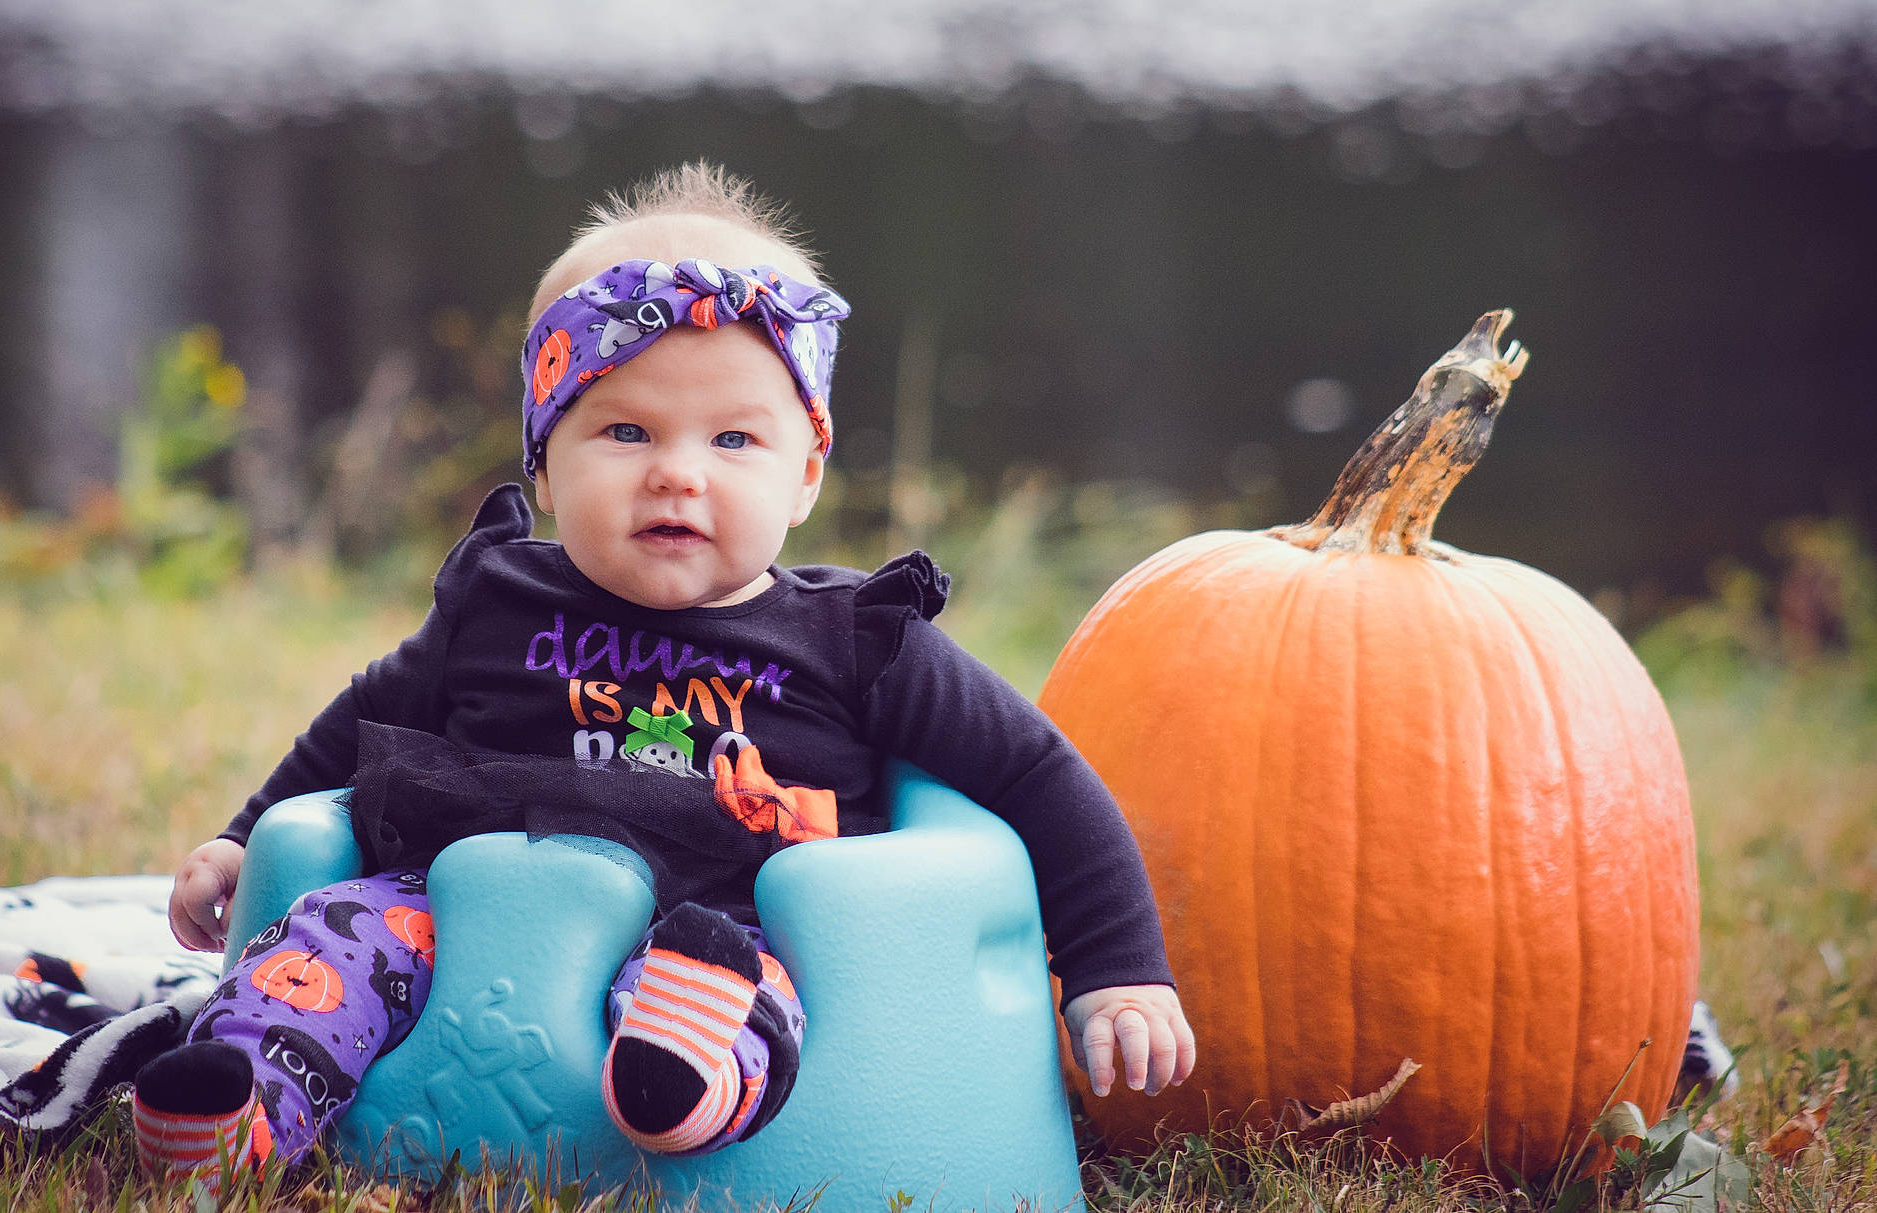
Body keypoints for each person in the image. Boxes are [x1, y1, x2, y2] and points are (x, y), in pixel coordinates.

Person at [135, 163, 1196, 1186]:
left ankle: (682, 1094)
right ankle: (238, 1106)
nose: (676, 471)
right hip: (457, 917)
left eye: (734, 438)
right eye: (625, 430)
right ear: (544, 466)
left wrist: (1115, 970)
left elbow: (1039, 776)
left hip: (728, 929)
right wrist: (243, 836)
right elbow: (362, 722)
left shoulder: (856, 640)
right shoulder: (497, 603)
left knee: (746, 1000)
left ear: (805, 476)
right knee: (324, 945)